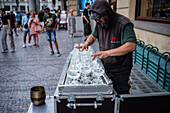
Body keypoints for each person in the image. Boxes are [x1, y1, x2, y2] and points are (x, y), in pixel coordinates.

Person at [75, 0, 136, 94]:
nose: (97, 21)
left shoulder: (123, 23)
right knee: (107, 94)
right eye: (95, 20)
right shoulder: (99, 23)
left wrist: (108, 52)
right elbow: (93, 36)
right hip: (106, 66)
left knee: (120, 93)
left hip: (120, 69)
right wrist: (86, 43)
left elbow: (131, 45)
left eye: (99, 18)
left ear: (106, 13)